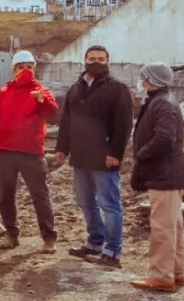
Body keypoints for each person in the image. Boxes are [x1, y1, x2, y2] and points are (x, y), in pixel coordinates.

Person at [54, 45, 133, 269]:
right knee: (86, 202)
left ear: (108, 61)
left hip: (104, 158)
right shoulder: (76, 89)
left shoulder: (118, 89)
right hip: (80, 157)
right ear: (85, 60)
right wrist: (62, 148)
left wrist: (116, 153)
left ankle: (113, 250)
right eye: (92, 58)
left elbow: (124, 125)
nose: (96, 62)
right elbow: (66, 121)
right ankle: (95, 242)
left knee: (109, 204)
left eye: (100, 59)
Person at [0, 50, 60, 252]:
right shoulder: (4, 92)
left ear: (34, 69)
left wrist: (41, 101)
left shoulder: (41, 91)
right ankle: (11, 235)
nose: (25, 71)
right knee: (5, 196)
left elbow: (53, 114)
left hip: (31, 152)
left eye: (29, 67)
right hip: (5, 152)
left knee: (40, 195)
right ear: (14, 70)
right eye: (21, 67)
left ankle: (49, 238)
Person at [128, 62, 184, 292]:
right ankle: (175, 273)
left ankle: (161, 276)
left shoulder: (163, 104)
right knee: (172, 225)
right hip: (168, 173)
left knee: (162, 227)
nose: (140, 82)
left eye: (143, 78)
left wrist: (141, 154)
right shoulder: (163, 101)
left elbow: (164, 138)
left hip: (163, 173)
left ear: (151, 80)